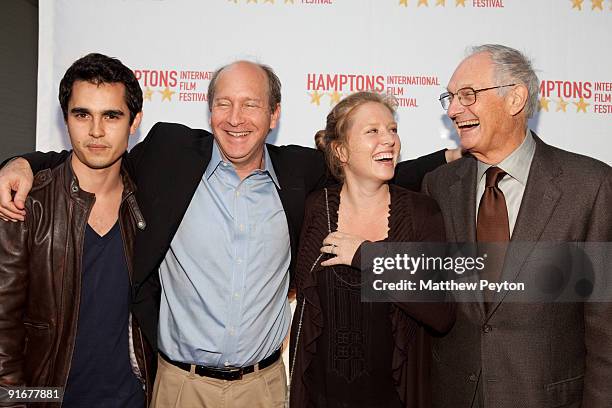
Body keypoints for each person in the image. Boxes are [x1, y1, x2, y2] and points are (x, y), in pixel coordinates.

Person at [0, 61, 455, 407]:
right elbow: (95, 149)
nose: (236, 118)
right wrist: (23, 163)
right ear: (209, 110)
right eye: (224, 103)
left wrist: (448, 159)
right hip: (178, 387)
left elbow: (363, 165)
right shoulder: (170, 155)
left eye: (251, 104)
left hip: (265, 389)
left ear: (274, 113)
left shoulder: (299, 174)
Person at [418, 44, 612, 407]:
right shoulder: (439, 186)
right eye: (450, 98)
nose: (454, 110)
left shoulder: (591, 185)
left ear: (515, 99)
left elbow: (606, 327)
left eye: (468, 95)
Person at [0, 53, 153, 407]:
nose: (96, 131)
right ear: (66, 119)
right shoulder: (26, 203)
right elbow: (3, 333)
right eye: (82, 114)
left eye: (111, 116)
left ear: (135, 122)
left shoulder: (148, 201)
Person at [289, 91, 455, 408]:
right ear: (341, 151)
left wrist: (367, 257)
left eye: (392, 129)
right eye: (373, 131)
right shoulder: (316, 209)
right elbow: (304, 319)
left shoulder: (422, 213)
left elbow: (441, 313)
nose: (389, 140)